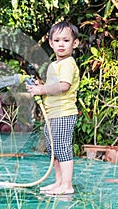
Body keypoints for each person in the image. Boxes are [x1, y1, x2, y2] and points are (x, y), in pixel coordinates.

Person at [26, 21, 80, 195]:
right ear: (51, 43)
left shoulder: (68, 63)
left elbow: (64, 86)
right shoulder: (54, 65)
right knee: (54, 150)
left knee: (62, 148)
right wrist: (40, 86)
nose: (61, 44)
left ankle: (67, 185)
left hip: (64, 113)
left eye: (66, 40)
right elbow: (53, 86)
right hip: (53, 114)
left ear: (75, 43)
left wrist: (41, 89)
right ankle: (59, 183)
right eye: (57, 41)